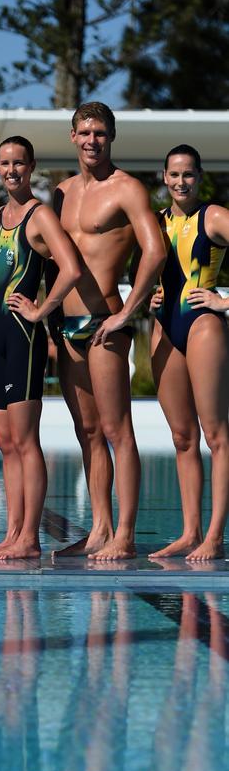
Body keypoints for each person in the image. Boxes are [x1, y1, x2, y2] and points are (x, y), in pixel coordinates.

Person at [51, 101, 166, 560]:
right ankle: (99, 529)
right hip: (67, 327)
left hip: (105, 324)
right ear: (73, 137)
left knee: (119, 431)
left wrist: (127, 313)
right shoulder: (60, 193)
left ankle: (125, 534)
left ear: (111, 136)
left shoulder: (128, 189)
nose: (91, 140)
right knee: (88, 432)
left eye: (99, 132)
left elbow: (154, 253)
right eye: (84, 132)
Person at [0, 136, 81, 560]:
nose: (11, 170)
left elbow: (70, 268)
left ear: (31, 166)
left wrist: (42, 310)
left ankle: (30, 538)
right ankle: (12, 532)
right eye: (4, 163)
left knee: (25, 439)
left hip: (23, 336)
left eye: (19, 163)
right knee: (5, 441)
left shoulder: (41, 216)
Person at [148, 144, 228, 560]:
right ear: (164, 177)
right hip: (164, 328)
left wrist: (224, 301)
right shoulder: (155, 223)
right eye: (174, 175)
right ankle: (190, 531)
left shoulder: (213, 217)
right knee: (182, 437)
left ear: (199, 177)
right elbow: (142, 272)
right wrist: (149, 298)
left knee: (216, 435)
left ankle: (215, 536)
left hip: (202, 326)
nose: (181, 182)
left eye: (189, 175)